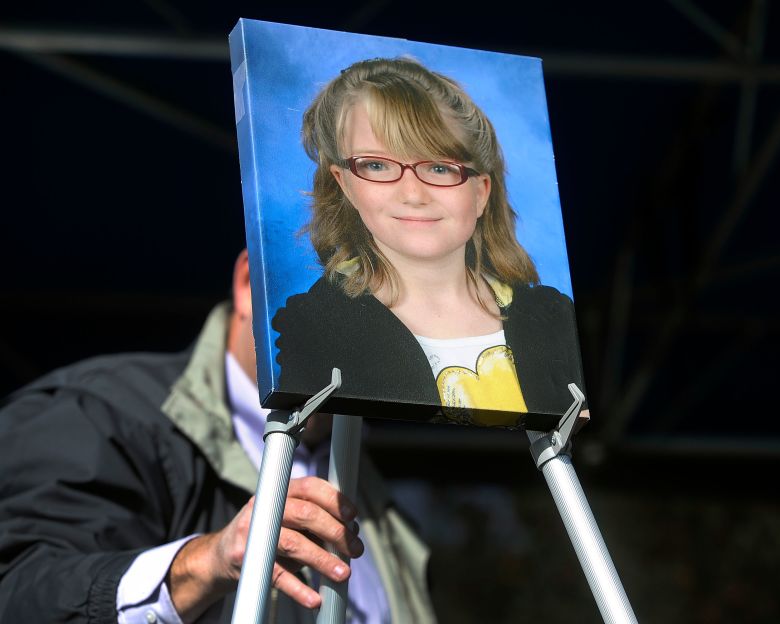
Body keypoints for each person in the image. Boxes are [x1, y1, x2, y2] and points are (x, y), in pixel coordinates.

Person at [0, 249, 436, 623]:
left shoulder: (370, 486)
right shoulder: (96, 412)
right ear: (250, 284)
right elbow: (19, 589)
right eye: (342, 298)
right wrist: (200, 564)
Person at [272, 57, 585, 430]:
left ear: (481, 191)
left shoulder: (551, 318)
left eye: (439, 167)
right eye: (377, 165)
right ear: (344, 184)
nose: (413, 194)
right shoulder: (314, 327)